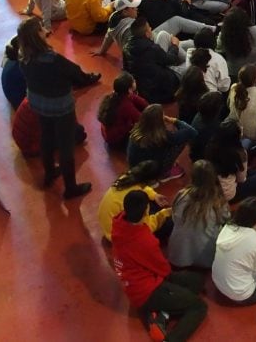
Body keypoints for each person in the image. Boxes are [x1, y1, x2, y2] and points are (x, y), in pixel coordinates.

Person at [111, 190, 208, 342]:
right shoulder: (144, 240)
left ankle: (161, 314)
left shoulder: (119, 224)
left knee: (197, 281)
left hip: (138, 282)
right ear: (146, 211)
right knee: (199, 306)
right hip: (147, 291)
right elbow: (164, 270)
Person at [16, 18, 97, 197]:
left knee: (46, 136)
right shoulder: (53, 59)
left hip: (37, 102)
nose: (45, 30)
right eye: (41, 29)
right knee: (66, 145)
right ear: (37, 35)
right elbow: (75, 72)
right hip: (60, 106)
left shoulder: (24, 57)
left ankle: (50, 172)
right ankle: (70, 188)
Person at [168, 161, 231, 269]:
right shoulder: (218, 201)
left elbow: (174, 217)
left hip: (177, 256)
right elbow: (226, 218)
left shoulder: (181, 195)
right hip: (206, 260)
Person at [97, 161, 171, 242]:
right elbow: (146, 226)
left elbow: (142, 187)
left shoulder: (126, 177)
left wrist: (154, 195)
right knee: (168, 224)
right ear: (152, 181)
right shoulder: (137, 197)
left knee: (154, 206)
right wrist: (164, 214)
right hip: (118, 236)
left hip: (109, 226)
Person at [127, 104, 197, 181]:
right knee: (182, 141)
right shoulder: (164, 136)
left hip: (135, 168)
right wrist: (174, 120)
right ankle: (164, 174)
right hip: (151, 171)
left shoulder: (137, 128)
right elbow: (192, 132)